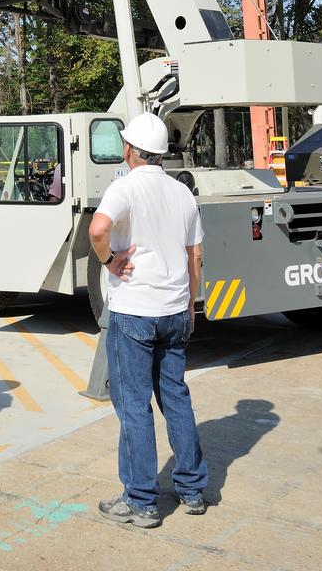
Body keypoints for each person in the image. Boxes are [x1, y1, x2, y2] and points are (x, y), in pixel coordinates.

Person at [89, 112, 208, 528]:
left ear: (129, 150)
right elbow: (195, 255)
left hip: (136, 311)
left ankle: (140, 500)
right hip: (176, 310)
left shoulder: (124, 187)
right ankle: (192, 488)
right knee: (175, 397)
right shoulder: (182, 193)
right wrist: (191, 304)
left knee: (134, 405)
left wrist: (109, 262)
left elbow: (98, 228)